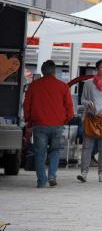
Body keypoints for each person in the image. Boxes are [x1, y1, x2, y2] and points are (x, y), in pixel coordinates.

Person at [23, 60, 73, 188]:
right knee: (55, 151)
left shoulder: (34, 86)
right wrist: (66, 119)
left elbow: (26, 104)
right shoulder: (63, 86)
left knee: (40, 152)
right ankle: (52, 175)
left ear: (42, 71)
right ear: (54, 70)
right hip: (57, 124)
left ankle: (41, 181)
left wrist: (28, 119)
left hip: (39, 124)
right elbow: (69, 105)